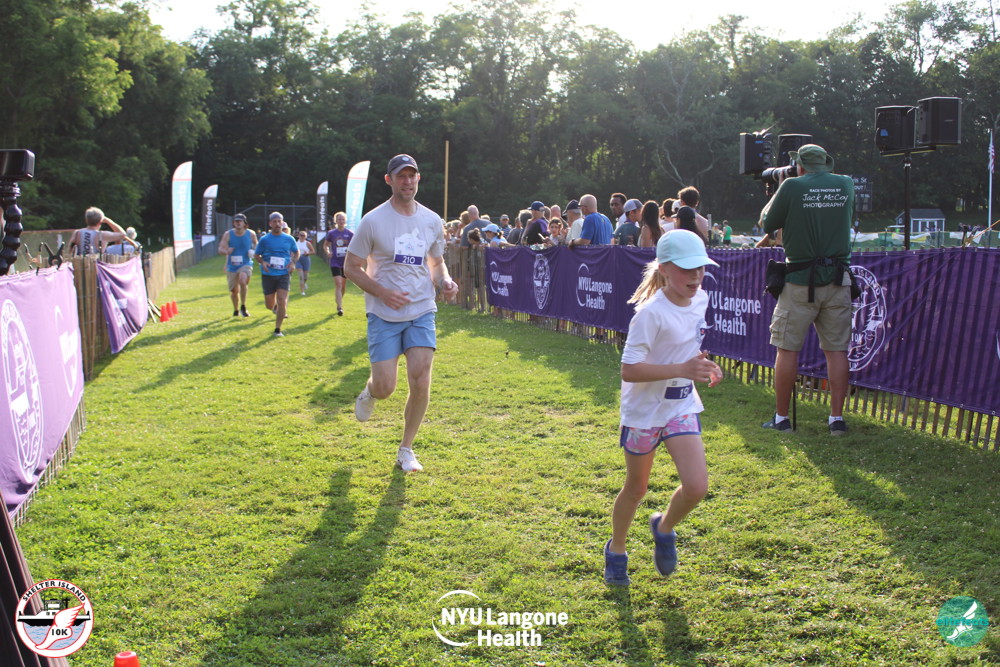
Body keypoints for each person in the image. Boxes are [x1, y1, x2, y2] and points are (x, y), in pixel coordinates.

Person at [604, 229, 722, 586]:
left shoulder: (701, 299)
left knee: (697, 487)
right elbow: (629, 370)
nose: (696, 276)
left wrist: (702, 364)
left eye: (700, 267)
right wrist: (681, 368)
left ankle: (664, 527)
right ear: (665, 269)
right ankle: (617, 550)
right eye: (687, 269)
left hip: (680, 405)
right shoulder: (649, 314)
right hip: (643, 413)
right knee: (636, 489)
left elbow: (686, 347)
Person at [344, 154, 460, 473]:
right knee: (386, 387)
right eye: (401, 176)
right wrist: (382, 292)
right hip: (383, 314)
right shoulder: (373, 221)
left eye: (412, 175)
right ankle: (371, 392)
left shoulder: (431, 220)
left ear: (418, 178)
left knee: (421, 378)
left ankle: (406, 449)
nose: (407, 181)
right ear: (389, 180)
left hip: (421, 309)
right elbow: (350, 267)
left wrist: (445, 282)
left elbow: (436, 262)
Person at [760, 144, 854, 436]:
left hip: (800, 281)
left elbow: (766, 222)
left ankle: (781, 418)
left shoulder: (791, 186)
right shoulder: (846, 184)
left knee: (787, 349)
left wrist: (781, 188)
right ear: (825, 164)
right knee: (836, 351)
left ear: (799, 166)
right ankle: (836, 419)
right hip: (838, 279)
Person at [255, 212, 299, 336]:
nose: (277, 224)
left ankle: (278, 329)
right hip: (268, 274)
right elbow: (257, 255)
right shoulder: (264, 239)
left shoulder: (289, 239)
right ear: (270, 224)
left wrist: (293, 262)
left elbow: (296, 252)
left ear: (282, 222)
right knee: (269, 305)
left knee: (282, 300)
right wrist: (262, 262)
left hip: (284, 273)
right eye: (274, 222)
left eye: (279, 221)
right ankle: (274, 308)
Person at [218, 213, 258, 317]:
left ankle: (243, 306)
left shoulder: (251, 234)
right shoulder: (228, 234)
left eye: (240, 221)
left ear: (245, 223)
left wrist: (253, 251)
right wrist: (227, 251)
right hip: (232, 265)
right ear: (233, 223)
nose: (238, 223)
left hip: (246, 263)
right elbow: (220, 249)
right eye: (236, 221)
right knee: (234, 291)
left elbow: (257, 246)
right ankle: (236, 309)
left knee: (242, 280)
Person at [70, 207, 139, 256]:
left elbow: (70, 251)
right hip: (96, 267)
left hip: (78, 266)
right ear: (100, 222)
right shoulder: (102, 235)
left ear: (86, 220)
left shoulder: (77, 233)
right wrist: (108, 221)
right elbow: (123, 234)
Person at [323, 212, 354, 316]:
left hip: (345, 262)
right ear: (336, 221)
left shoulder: (350, 234)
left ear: (345, 221)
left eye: (343, 219)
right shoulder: (331, 233)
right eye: (339, 219)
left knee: (343, 286)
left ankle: (338, 300)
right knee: (338, 284)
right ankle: (340, 308)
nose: (341, 221)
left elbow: (354, 246)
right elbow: (325, 245)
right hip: (335, 262)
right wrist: (328, 252)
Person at [295, 230, 315, 295]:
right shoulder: (296, 243)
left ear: (305, 237)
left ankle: (304, 283)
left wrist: (308, 253)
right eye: (301, 235)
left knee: (305, 276)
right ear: (298, 236)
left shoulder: (307, 243)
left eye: (304, 236)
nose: (302, 237)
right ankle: (302, 291)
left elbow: (313, 251)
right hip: (298, 259)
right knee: (301, 276)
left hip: (305, 259)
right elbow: (293, 251)